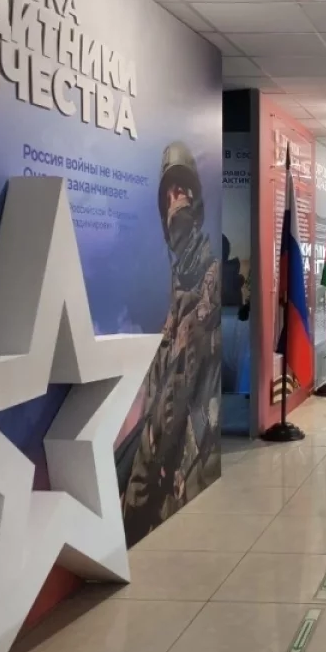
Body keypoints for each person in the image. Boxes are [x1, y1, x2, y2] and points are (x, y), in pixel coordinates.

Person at [116, 142, 221, 545]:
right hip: (168, 467)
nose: (175, 200)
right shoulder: (178, 291)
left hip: (190, 465)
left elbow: (175, 394)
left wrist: (136, 495)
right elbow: (157, 390)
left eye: (182, 189)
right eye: (168, 195)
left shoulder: (206, 276)